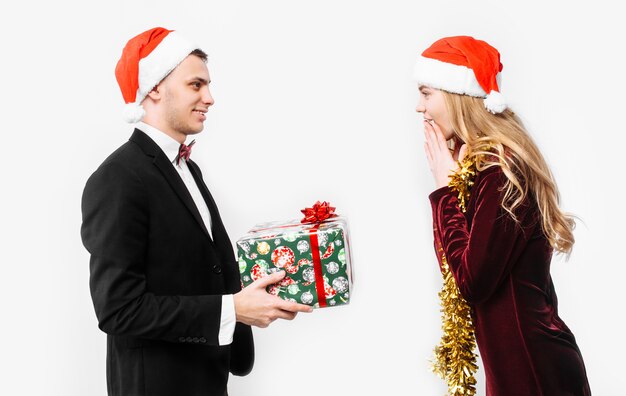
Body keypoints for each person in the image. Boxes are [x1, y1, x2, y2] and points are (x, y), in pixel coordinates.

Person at [81, 27, 312, 396]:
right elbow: (118, 309)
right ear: (155, 88)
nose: (210, 97)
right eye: (196, 85)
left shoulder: (187, 168)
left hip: (206, 380)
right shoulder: (118, 178)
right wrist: (233, 310)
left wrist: (261, 290)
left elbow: (203, 269)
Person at [414, 36, 591, 395]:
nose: (419, 107)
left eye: (426, 93)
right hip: (513, 365)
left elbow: (472, 282)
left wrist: (444, 192)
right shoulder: (477, 166)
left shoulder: (500, 169)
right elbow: (458, 265)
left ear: (456, 95)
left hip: (532, 366)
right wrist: (450, 187)